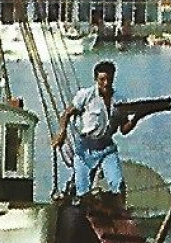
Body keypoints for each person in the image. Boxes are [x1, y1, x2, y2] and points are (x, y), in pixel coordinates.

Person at [50, 60, 138, 200]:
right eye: (102, 79)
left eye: (109, 79)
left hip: (106, 148)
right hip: (85, 149)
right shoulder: (86, 96)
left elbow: (124, 130)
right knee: (82, 191)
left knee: (118, 184)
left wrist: (136, 117)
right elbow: (67, 113)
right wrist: (62, 133)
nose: (106, 83)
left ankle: (121, 214)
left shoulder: (120, 101)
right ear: (96, 79)